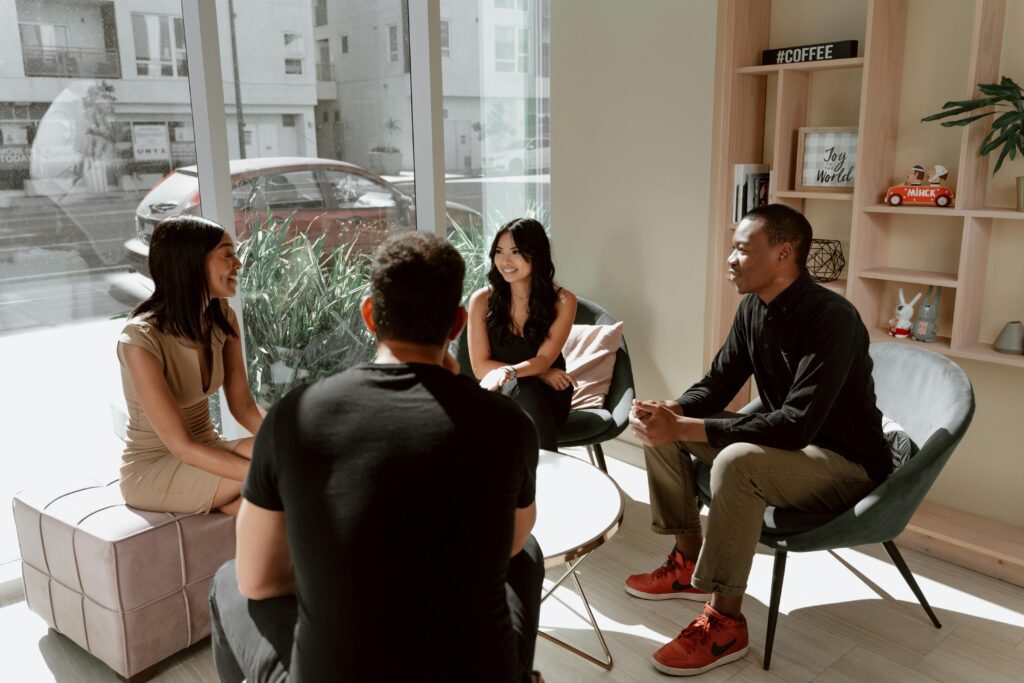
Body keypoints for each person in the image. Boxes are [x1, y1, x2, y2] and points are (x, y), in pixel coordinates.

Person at [208, 232, 545, 683]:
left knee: (229, 581)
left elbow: (259, 581)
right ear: (458, 323)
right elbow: (510, 544)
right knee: (529, 555)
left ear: (369, 314)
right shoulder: (507, 423)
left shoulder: (294, 417)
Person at [625, 204, 892, 677]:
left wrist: (686, 426)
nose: (731, 258)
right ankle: (687, 562)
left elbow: (795, 426)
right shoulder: (753, 308)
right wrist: (672, 413)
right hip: (792, 452)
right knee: (662, 432)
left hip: (844, 465)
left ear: (784, 254)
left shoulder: (832, 318)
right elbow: (716, 386)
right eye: (733, 247)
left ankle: (725, 622)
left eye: (743, 249)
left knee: (737, 463)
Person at [118, 215, 263, 516]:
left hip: (208, 447)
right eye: (227, 255)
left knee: (293, 461)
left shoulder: (221, 317)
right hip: (156, 466)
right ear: (192, 264)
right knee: (279, 482)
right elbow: (181, 446)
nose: (238, 263)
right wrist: (264, 475)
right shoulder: (139, 340)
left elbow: (244, 406)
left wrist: (290, 443)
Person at [467, 217, 577, 451]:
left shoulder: (563, 301)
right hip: (501, 393)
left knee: (523, 389)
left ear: (535, 254)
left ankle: (541, 475)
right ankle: (545, 473)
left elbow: (544, 359)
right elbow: (479, 367)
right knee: (520, 388)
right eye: (499, 251)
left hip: (550, 396)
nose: (505, 260)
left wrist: (511, 371)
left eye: (515, 251)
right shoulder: (481, 301)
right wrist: (540, 373)